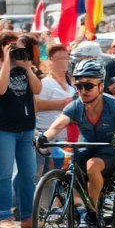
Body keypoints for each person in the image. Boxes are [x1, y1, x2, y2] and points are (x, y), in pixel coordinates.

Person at [38, 59, 115, 228]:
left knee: (92, 165)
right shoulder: (77, 105)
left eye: (88, 86)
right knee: (71, 170)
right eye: (79, 86)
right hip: (88, 150)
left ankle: (91, 213)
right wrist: (44, 137)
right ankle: (83, 211)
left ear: (101, 85)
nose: (83, 91)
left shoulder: (114, 104)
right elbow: (58, 126)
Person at [0, 33, 40, 228]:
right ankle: (3, 217)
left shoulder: (23, 66)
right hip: (2, 129)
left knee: (28, 173)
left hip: (26, 128)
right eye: (9, 46)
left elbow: (37, 89)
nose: (14, 50)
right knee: (4, 174)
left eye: (16, 46)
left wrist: (27, 68)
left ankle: (27, 217)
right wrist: (7, 62)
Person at [35, 44, 77, 174]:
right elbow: (36, 105)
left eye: (66, 57)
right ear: (50, 60)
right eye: (59, 58)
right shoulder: (45, 83)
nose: (63, 62)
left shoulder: (70, 84)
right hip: (48, 136)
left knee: (62, 177)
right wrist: (64, 104)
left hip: (67, 138)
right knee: (46, 175)